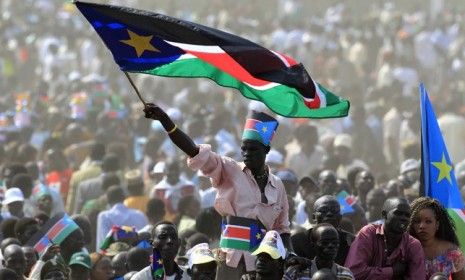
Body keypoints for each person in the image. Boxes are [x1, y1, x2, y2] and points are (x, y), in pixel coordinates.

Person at [143, 105, 292, 278]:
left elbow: (282, 229)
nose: (246, 153)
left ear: (266, 150)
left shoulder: (278, 185)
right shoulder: (229, 169)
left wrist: (291, 255)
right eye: (243, 148)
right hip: (230, 260)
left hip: (263, 264)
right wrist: (166, 121)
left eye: (253, 149)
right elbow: (193, 150)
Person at [345, 197, 426, 279]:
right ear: (384, 214)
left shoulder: (413, 245)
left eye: (407, 215)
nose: (403, 218)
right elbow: (353, 273)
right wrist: (392, 271)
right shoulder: (368, 234)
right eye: (398, 213)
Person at [408, 197, 465, 279]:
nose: (422, 226)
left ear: (437, 224)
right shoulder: (406, 249)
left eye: (428, 221)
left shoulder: (452, 252)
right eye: (417, 221)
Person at [291, 195, 354, 265]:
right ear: (314, 217)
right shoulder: (297, 241)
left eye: (334, 211)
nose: (329, 214)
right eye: (323, 210)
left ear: (340, 218)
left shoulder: (351, 242)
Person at [284, 224, 354, 279]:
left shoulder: (346, 275)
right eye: (325, 242)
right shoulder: (296, 272)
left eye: (335, 242)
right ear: (313, 245)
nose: (331, 246)